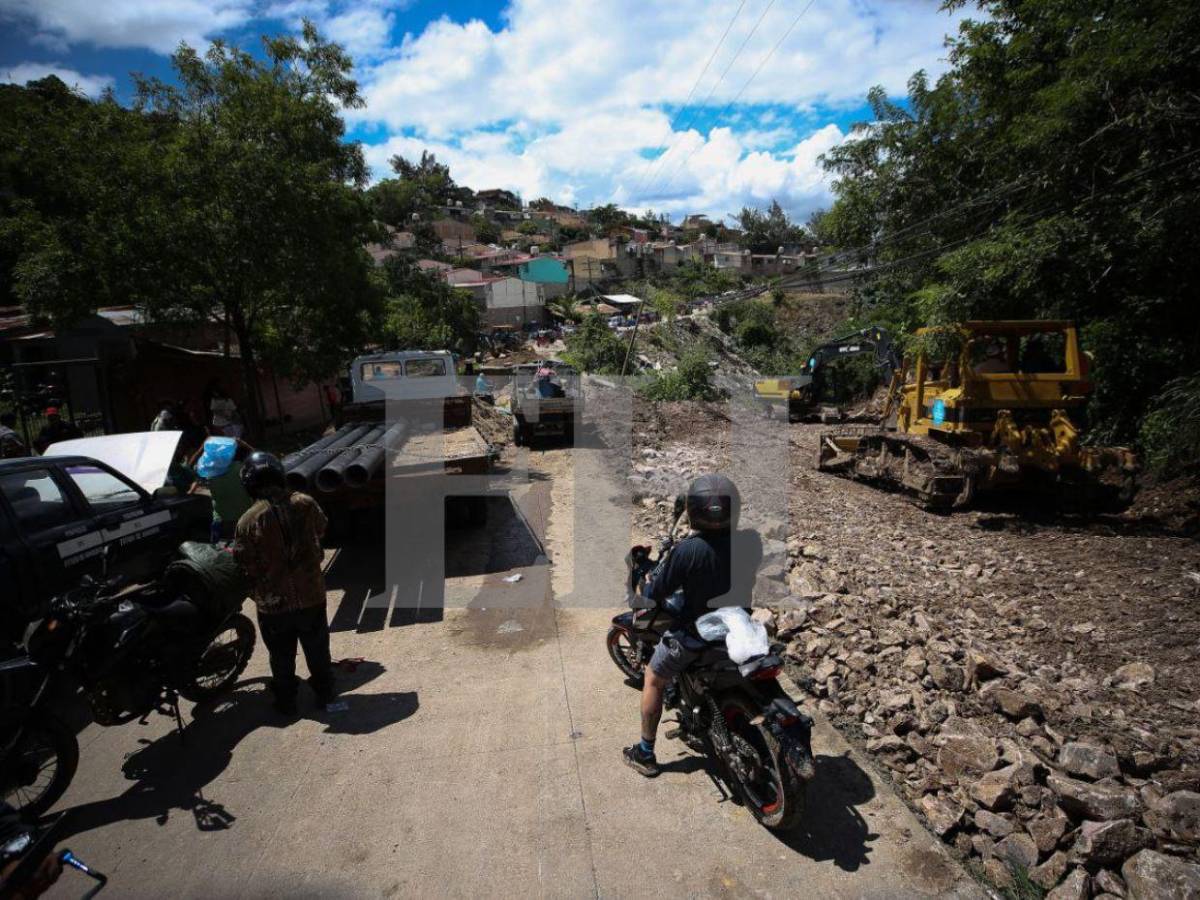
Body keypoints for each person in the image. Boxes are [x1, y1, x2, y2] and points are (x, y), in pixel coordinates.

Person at [623, 474, 762, 777]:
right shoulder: (751, 541)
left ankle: (645, 753)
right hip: (740, 628)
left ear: (694, 512)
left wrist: (645, 581)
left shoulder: (687, 551)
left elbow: (654, 594)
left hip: (697, 636)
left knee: (653, 678)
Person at [233, 451, 333, 715]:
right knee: (318, 649)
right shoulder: (306, 502)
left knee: (281, 655)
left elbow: (243, 562)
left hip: (273, 606)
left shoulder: (247, 520)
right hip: (311, 595)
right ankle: (325, 695)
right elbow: (322, 528)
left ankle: (287, 701)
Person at [191, 436, 255, 541]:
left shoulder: (209, 472)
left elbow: (190, 467)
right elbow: (263, 459)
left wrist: (203, 447)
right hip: (244, 520)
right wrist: (243, 443)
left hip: (221, 523)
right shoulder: (243, 468)